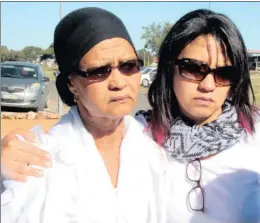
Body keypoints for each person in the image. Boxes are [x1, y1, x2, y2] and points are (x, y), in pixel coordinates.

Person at [2, 9, 260, 223]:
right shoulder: (146, 133)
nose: (208, 84)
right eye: (193, 68)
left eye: (225, 72)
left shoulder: (259, 134)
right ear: (169, 68)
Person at [1, 7, 167, 223]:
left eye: (128, 66)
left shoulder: (157, 146)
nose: (118, 82)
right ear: (72, 84)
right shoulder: (38, 158)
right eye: (99, 71)